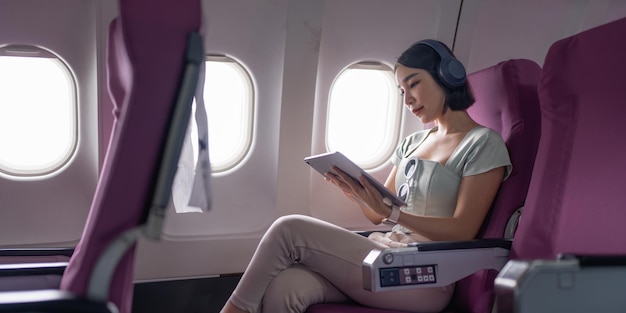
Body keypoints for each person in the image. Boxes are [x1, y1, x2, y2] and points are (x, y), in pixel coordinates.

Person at [220, 39, 512, 313]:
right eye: (401, 91)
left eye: (414, 84)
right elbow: (378, 215)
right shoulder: (413, 142)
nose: (408, 99)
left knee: (289, 229)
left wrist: (393, 214)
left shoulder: (483, 143)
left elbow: (462, 231)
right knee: (286, 287)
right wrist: (355, 191)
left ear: (447, 76)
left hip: (426, 274)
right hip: (385, 254)